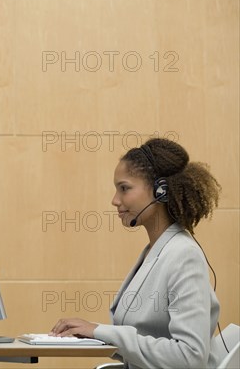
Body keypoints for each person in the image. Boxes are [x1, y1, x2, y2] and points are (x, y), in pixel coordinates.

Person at [50, 138, 222, 369]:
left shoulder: (183, 256)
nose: (114, 200)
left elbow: (190, 357)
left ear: (160, 191)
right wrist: (96, 333)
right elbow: (143, 343)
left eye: (124, 188)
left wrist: (102, 332)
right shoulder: (156, 251)